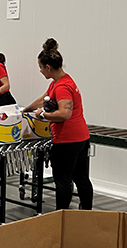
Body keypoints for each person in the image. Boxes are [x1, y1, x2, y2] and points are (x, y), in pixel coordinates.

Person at [22, 38, 93, 210]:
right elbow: (43, 99)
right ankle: (87, 215)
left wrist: (43, 115)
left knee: (63, 180)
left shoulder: (62, 87)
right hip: (81, 138)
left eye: (40, 67)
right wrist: (25, 110)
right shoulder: (61, 81)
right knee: (81, 177)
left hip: (67, 141)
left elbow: (64, 113)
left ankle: (62, 216)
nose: (40, 71)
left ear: (48, 67)